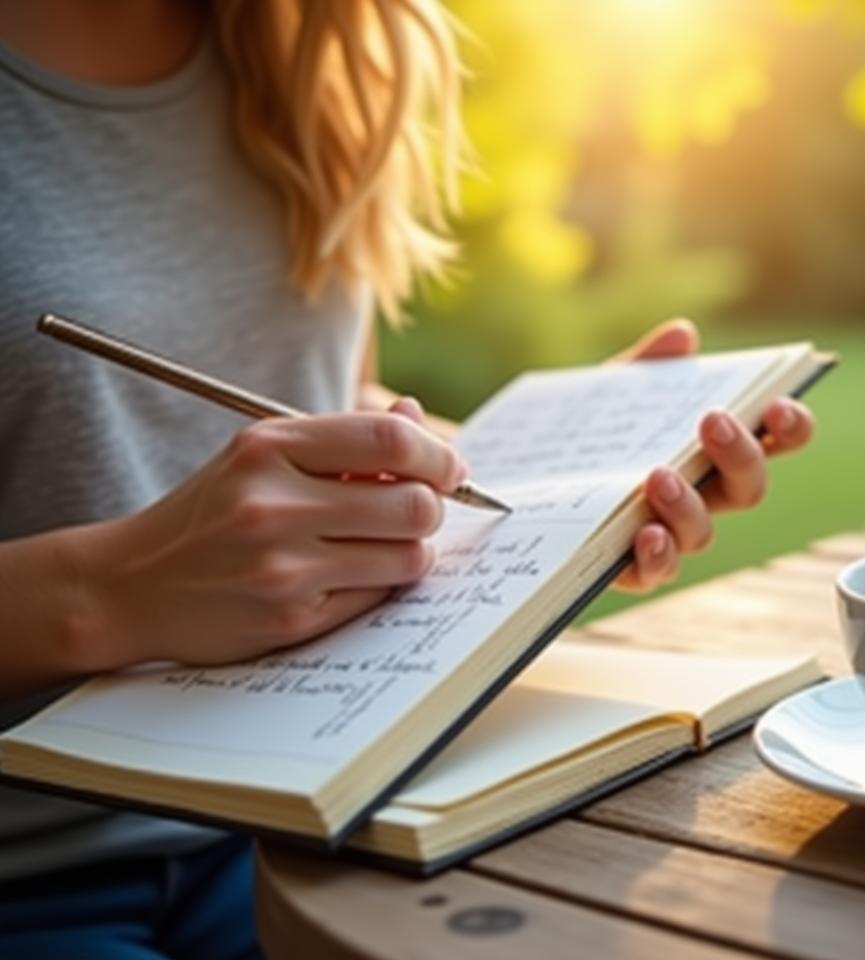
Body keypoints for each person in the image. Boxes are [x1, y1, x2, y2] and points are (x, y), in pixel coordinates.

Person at [0, 1, 815, 957]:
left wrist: (571, 485)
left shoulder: (308, 45)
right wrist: (111, 593)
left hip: (312, 813)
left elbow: (314, 393)